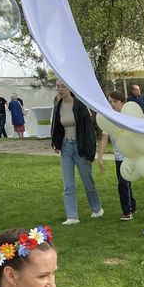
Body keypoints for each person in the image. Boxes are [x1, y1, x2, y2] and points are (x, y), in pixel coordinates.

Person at [51, 81, 103, 225]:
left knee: (87, 181)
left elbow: (89, 131)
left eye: (63, 86)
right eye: (58, 86)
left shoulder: (80, 106)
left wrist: (90, 153)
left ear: (70, 87)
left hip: (81, 147)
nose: (60, 89)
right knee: (68, 183)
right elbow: (55, 126)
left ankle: (97, 209)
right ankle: (72, 216)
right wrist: (55, 143)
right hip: (66, 147)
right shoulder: (58, 106)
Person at [97, 91, 137, 221]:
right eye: (110, 102)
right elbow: (104, 139)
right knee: (126, 183)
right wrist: (100, 157)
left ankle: (127, 211)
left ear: (122, 102)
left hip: (129, 156)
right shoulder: (108, 119)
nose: (112, 104)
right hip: (118, 158)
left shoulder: (128, 117)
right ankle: (133, 207)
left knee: (123, 184)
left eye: (115, 101)